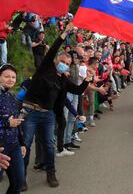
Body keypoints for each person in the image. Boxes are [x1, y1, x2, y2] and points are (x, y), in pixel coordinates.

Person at [22, 23, 94, 189]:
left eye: (67, 64)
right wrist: (65, 33)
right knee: (25, 144)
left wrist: (87, 80)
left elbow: (76, 90)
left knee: (49, 144)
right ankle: (21, 177)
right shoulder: (45, 67)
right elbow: (54, 48)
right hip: (30, 111)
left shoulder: (63, 80)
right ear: (56, 60)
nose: (64, 64)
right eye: (62, 61)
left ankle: (51, 173)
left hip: (47, 115)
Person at [0, 64, 26, 194]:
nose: (10, 79)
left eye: (13, 77)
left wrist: (22, 143)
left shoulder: (11, 96)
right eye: (6, 76)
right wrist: (6, 122)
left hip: (14, 144)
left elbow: (17, 122)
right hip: (1, 146)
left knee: (18, 182)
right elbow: (9, 122)